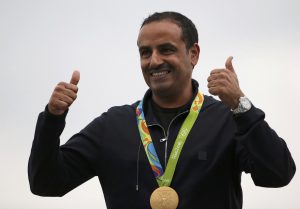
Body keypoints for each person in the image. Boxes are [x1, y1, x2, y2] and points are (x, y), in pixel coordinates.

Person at [28, 11, 296, 209]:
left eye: (166, 49)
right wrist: (52, 119)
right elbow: (46, 183)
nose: (154, 61)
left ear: (193, 54)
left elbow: (278, 174)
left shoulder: (227, 120)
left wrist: (240, 105)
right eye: (145, 52)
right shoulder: (112, 126)